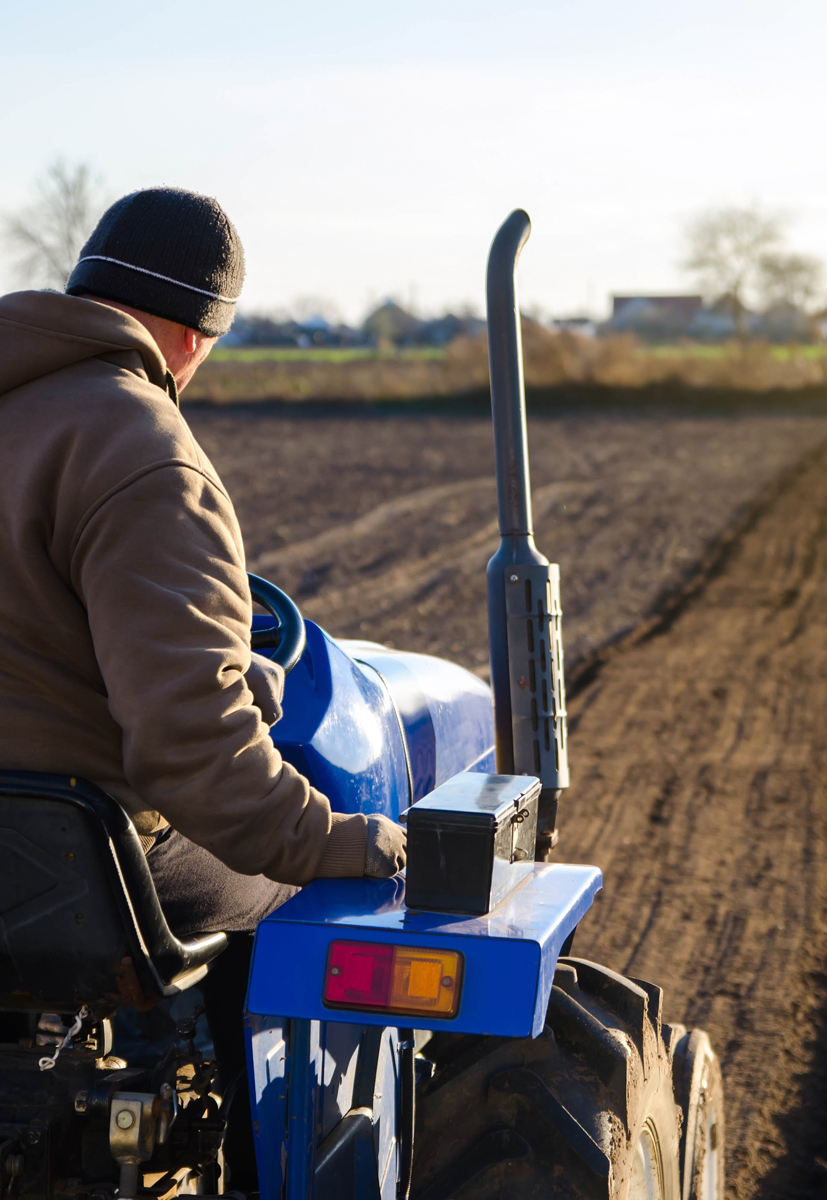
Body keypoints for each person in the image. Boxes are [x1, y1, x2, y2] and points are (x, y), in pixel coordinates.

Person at [0, 186, 407, 1185]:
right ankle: (216, 1152)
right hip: (53, 854)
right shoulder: (136, 446)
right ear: (193, 337)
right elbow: (189, 748)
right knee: (287, 888)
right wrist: (330, 839)